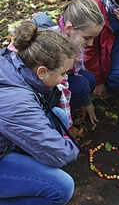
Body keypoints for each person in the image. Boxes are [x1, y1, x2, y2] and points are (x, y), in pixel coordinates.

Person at [0, 21, 80, 204]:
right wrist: (73, 151)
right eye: (62, 73)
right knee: (62, 187)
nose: (65, 78)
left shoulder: (11, 62)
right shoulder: (17, 102)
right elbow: (57, 153)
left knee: (57, 117)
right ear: (42, 72)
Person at [32, 0, 105, 125]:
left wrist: (86, 101)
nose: (91, 43)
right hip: (43, 92)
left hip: (58, 81)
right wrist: (67, 128)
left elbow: (78, 67)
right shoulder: (54, 50)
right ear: (69, 29)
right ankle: (53, 121)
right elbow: (58, 85)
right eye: (88, 38)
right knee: (83, 85)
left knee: (88, 78)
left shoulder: (73, 39)